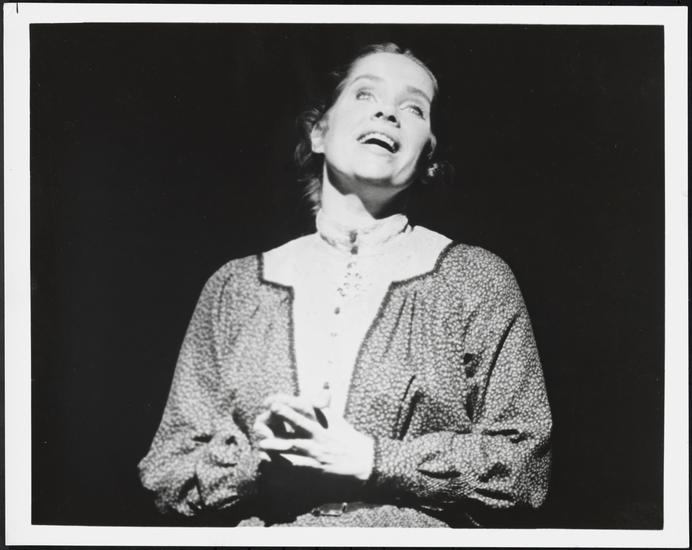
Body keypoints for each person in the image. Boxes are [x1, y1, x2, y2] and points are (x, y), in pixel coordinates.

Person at [138, 42, 552, 527]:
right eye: (365, 94)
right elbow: (166, 473)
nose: (387, 112)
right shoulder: (235, 288)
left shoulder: (475, 279)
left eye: (413, 108)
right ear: (319, 131)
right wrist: (260, 465)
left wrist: (370, 459)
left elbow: (524, 466)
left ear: (428, 157)